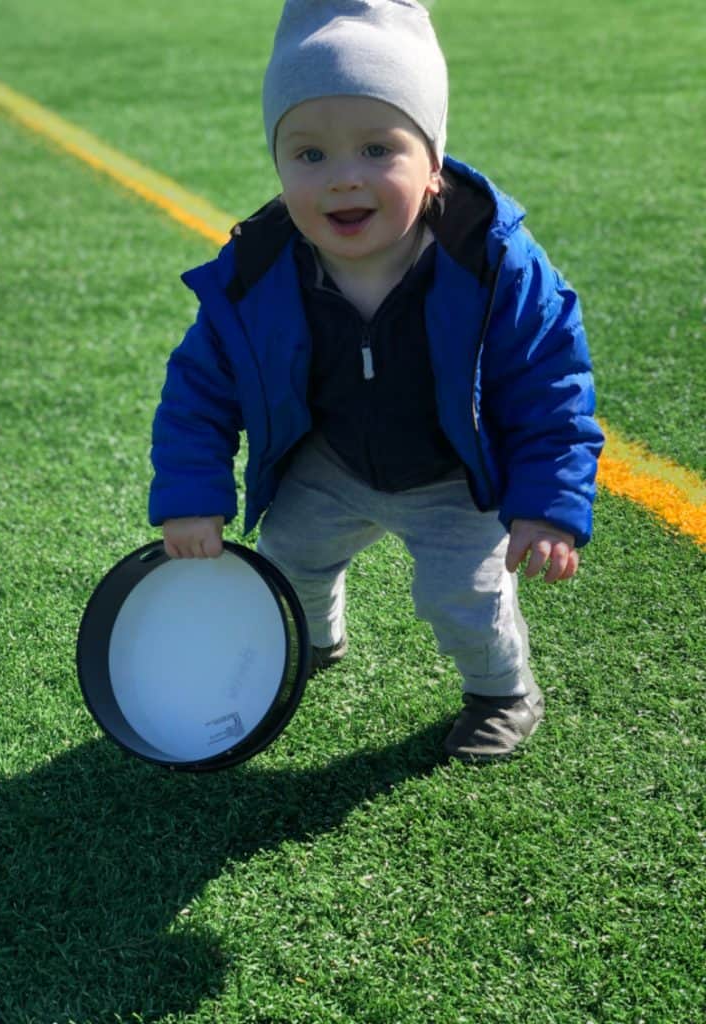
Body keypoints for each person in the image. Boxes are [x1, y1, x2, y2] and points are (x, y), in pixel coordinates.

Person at [149, 0, 605, 761]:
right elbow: (198, 391)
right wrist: (193, 498)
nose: (343, 180)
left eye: (376, 148)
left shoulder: (492, 264)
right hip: (328, 461)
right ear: (278, 164)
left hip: (451, 476)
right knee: (290, 560)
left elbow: (551, 385)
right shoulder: (258, 271)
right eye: (309, 155)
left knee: (464, 594)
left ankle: (501, 690)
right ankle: (311, 642)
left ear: (433, 163)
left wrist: (550, 504)